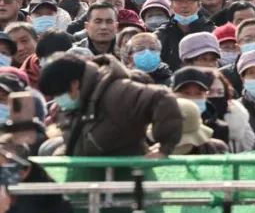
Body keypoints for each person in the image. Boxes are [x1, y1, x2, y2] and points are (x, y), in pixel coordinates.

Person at [37, 54, 183, 156]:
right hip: (90, 180)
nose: (57, 100)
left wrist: (163, 148)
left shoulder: (118, 92)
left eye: (58, 94)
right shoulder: (74, 104)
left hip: (126, 181)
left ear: (74, 84)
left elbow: (161, 99)